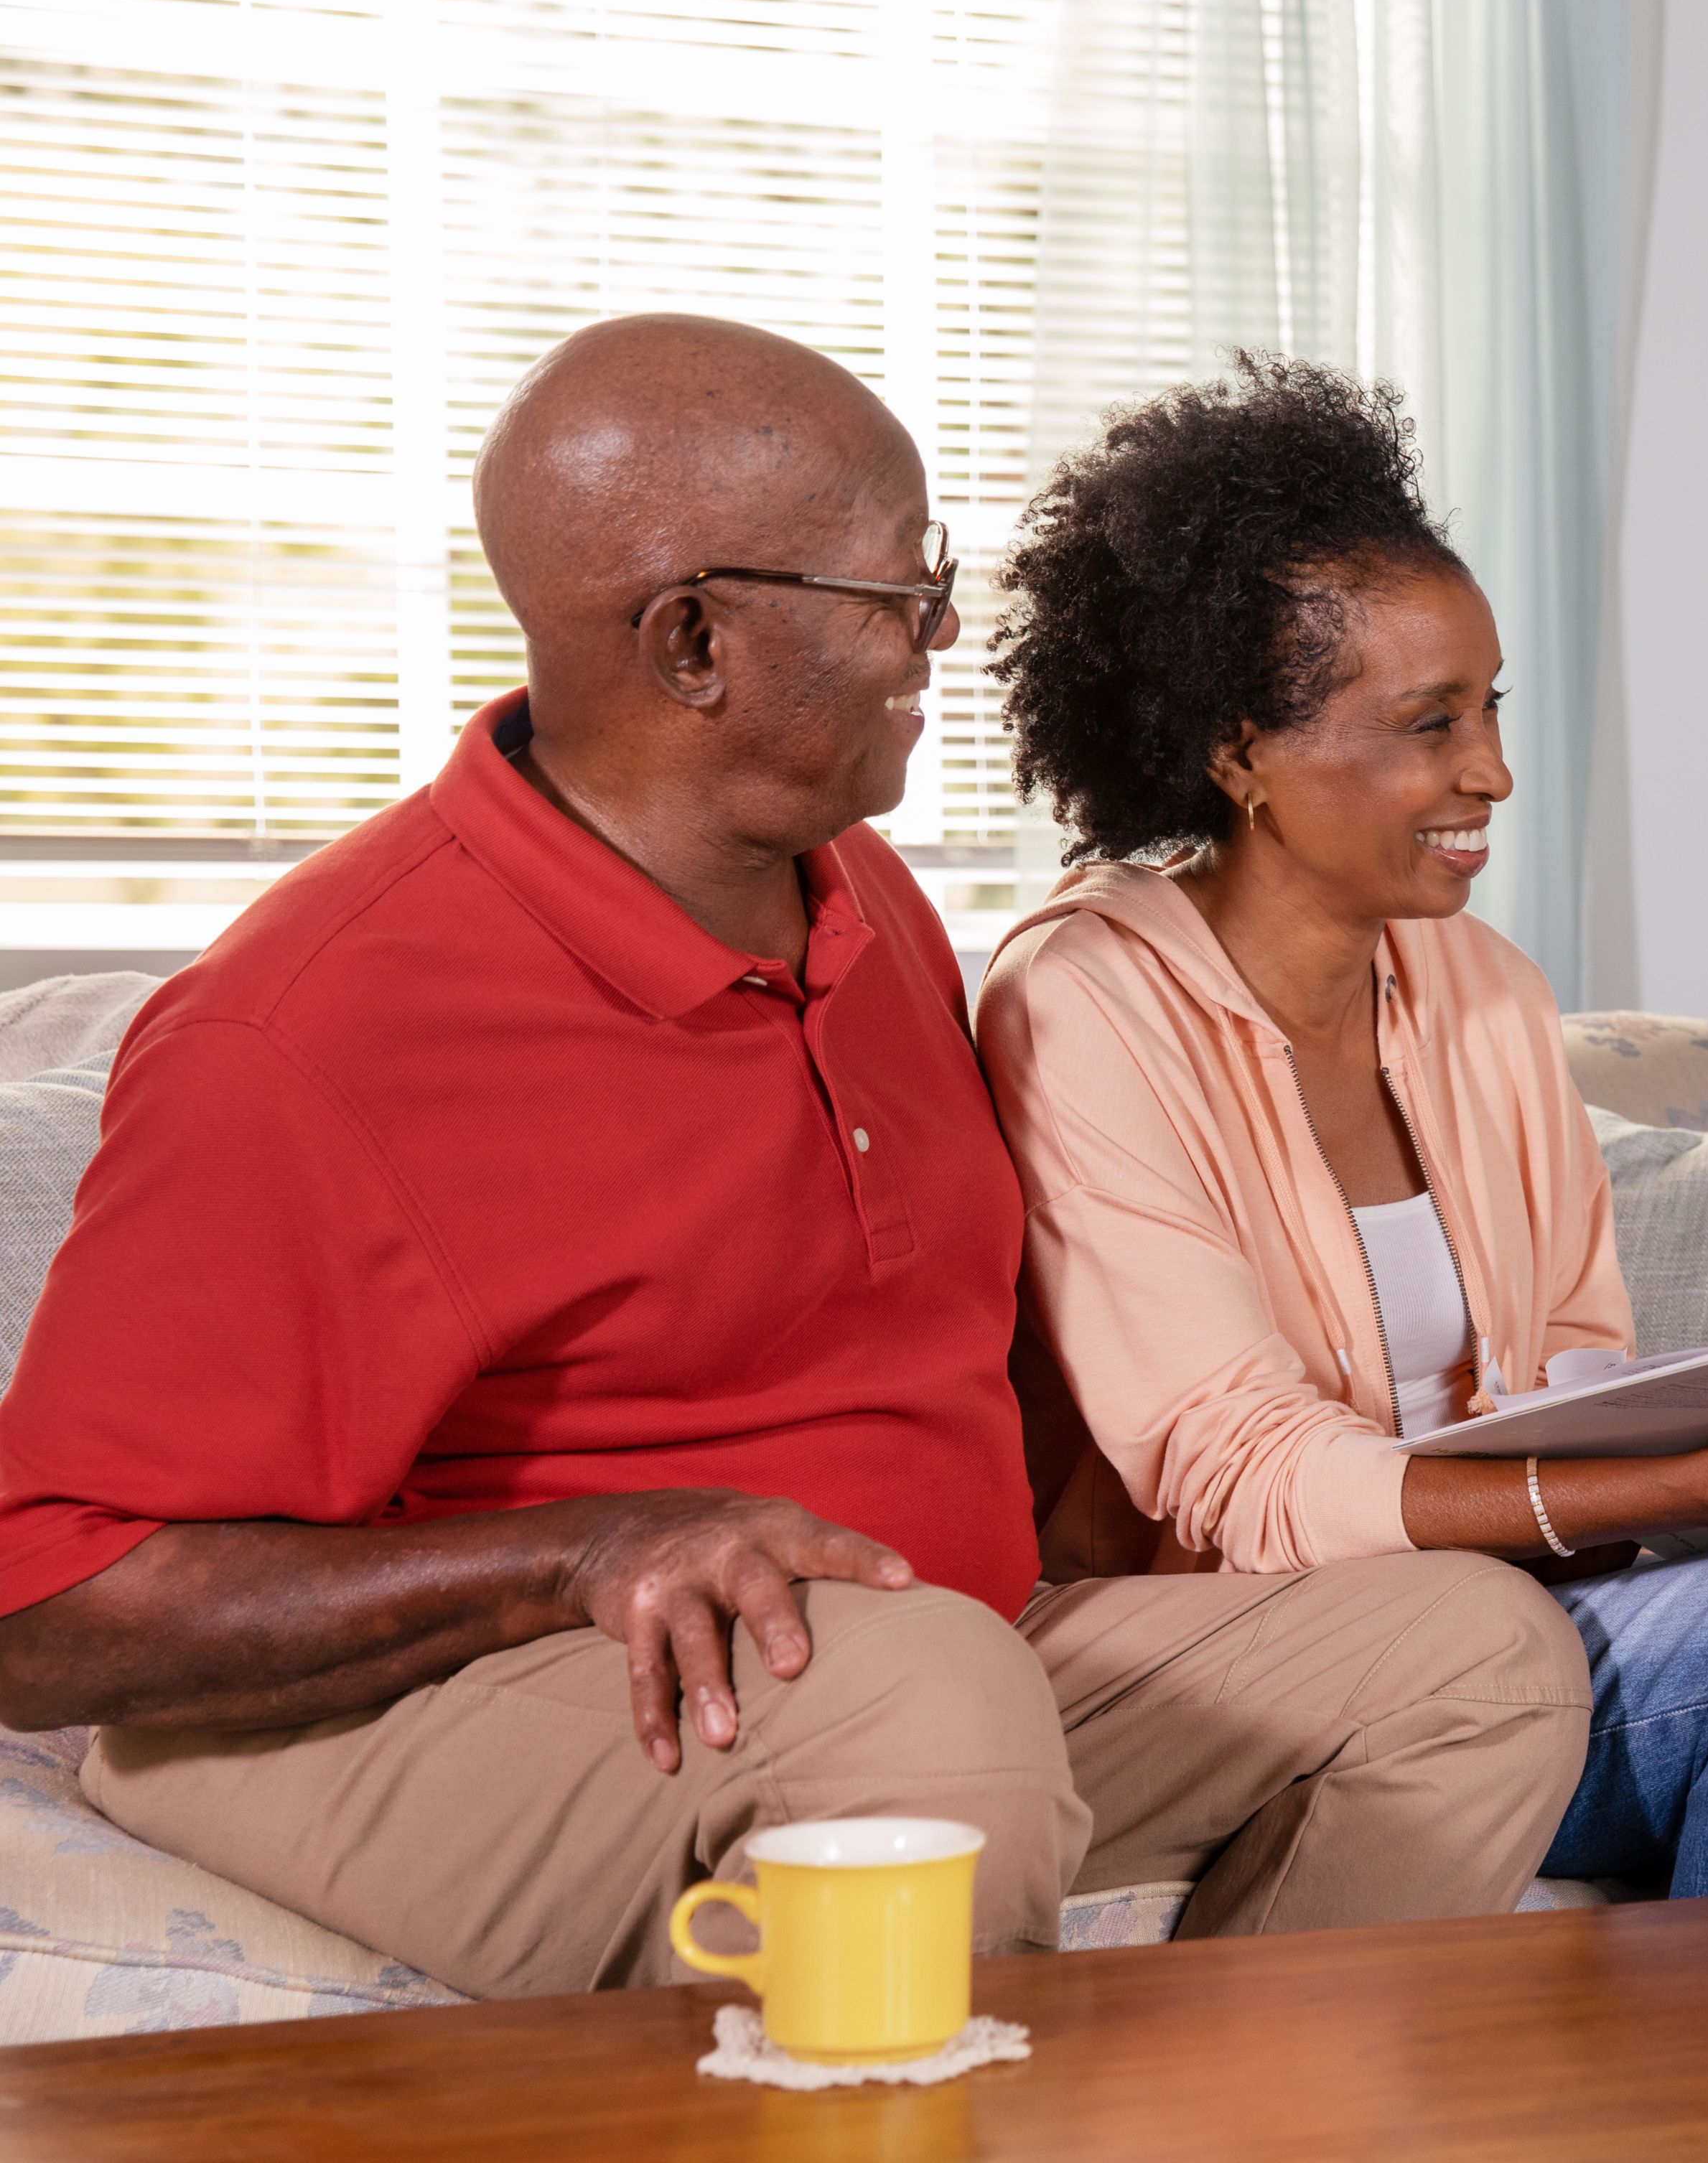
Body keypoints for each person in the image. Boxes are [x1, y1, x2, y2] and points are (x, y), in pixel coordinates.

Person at [0, 316, 1592, 1999]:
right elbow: (50, 1604)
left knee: (1471, 1649)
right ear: (696, 639)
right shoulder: (313, 1029)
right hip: (432, 1714)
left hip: (906, 1659)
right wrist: (576, 1546)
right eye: (900, 594)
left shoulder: (863, 900)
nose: (946, 633)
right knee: (927, 1703)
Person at [975, 355, 1708, 1899]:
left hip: (1523, 1591)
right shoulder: (1085, 1002)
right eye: (1426, 722)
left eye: (1491, 707)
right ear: (1235, 747)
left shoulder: (1480, 991)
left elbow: (1572, 1361)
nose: (1491, 771)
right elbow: (1239, 1478)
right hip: (1269, 1645)